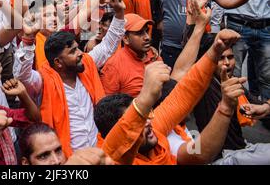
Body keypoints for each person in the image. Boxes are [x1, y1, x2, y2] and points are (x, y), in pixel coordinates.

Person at [96, 29, 245, 165]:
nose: (147, 123)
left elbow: (184, 94)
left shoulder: (153, 130)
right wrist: (146, 98)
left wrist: (215, 52)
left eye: (145, 117)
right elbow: (199, 155)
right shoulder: (111, 160)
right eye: (137, 123)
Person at [13, 0, 126, 157]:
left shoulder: (85, 64)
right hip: (68, 159)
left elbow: (108, 45)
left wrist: (119, 14)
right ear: (58, 62)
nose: (80, 53)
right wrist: (29, 39)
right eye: (73, 51)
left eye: (77, 48)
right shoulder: (44, 80)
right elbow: (22, 77)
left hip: (99, 151)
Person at [194, 46, 270, 165]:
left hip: (243, 149)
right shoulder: (203, 85)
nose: (227, 63)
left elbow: (259, 106)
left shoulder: (234, 83)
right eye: (221, 58)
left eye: (230, 57)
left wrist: (266, 107)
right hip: (222, 158)